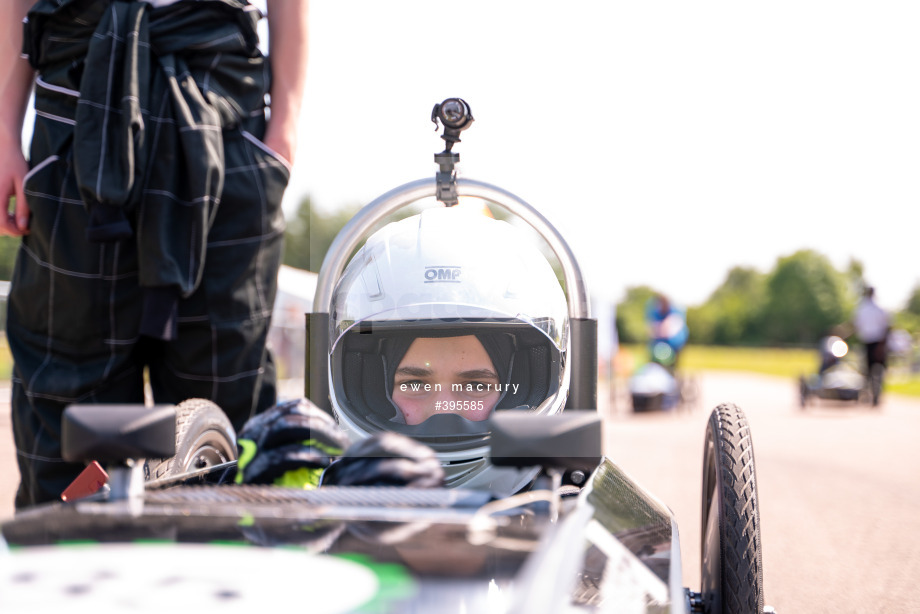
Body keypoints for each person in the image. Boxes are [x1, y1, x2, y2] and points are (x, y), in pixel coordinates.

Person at [0, 0, 309, 508]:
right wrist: (7, 127)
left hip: (222, 111)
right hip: (75, 104)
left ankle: (222, 581)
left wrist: (285, 129)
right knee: (68, 406)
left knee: (223, 422)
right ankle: (69, 569)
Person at [236, 205, 571, 494]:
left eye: (474, 386)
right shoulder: (325, 492)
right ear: (371, 389)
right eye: (416, 384)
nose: (443, 409)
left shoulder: (569, 511)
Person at [852, 286, 890, 405]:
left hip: (876, 342)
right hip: (871, 342)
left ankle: (875, 395)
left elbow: (886, 328)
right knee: (868, 370)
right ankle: (869, 395)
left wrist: (881, 345)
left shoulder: (875, 309)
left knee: (874, 370)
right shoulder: (865, 309)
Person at [645, 293, 689, 369]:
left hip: (674, 343)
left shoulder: (674, 311)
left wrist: (658, 330)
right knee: (657, 361)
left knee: (672, 364)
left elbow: (667, 329)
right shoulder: (655, 311)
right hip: (660, 344)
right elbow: (651, 330)